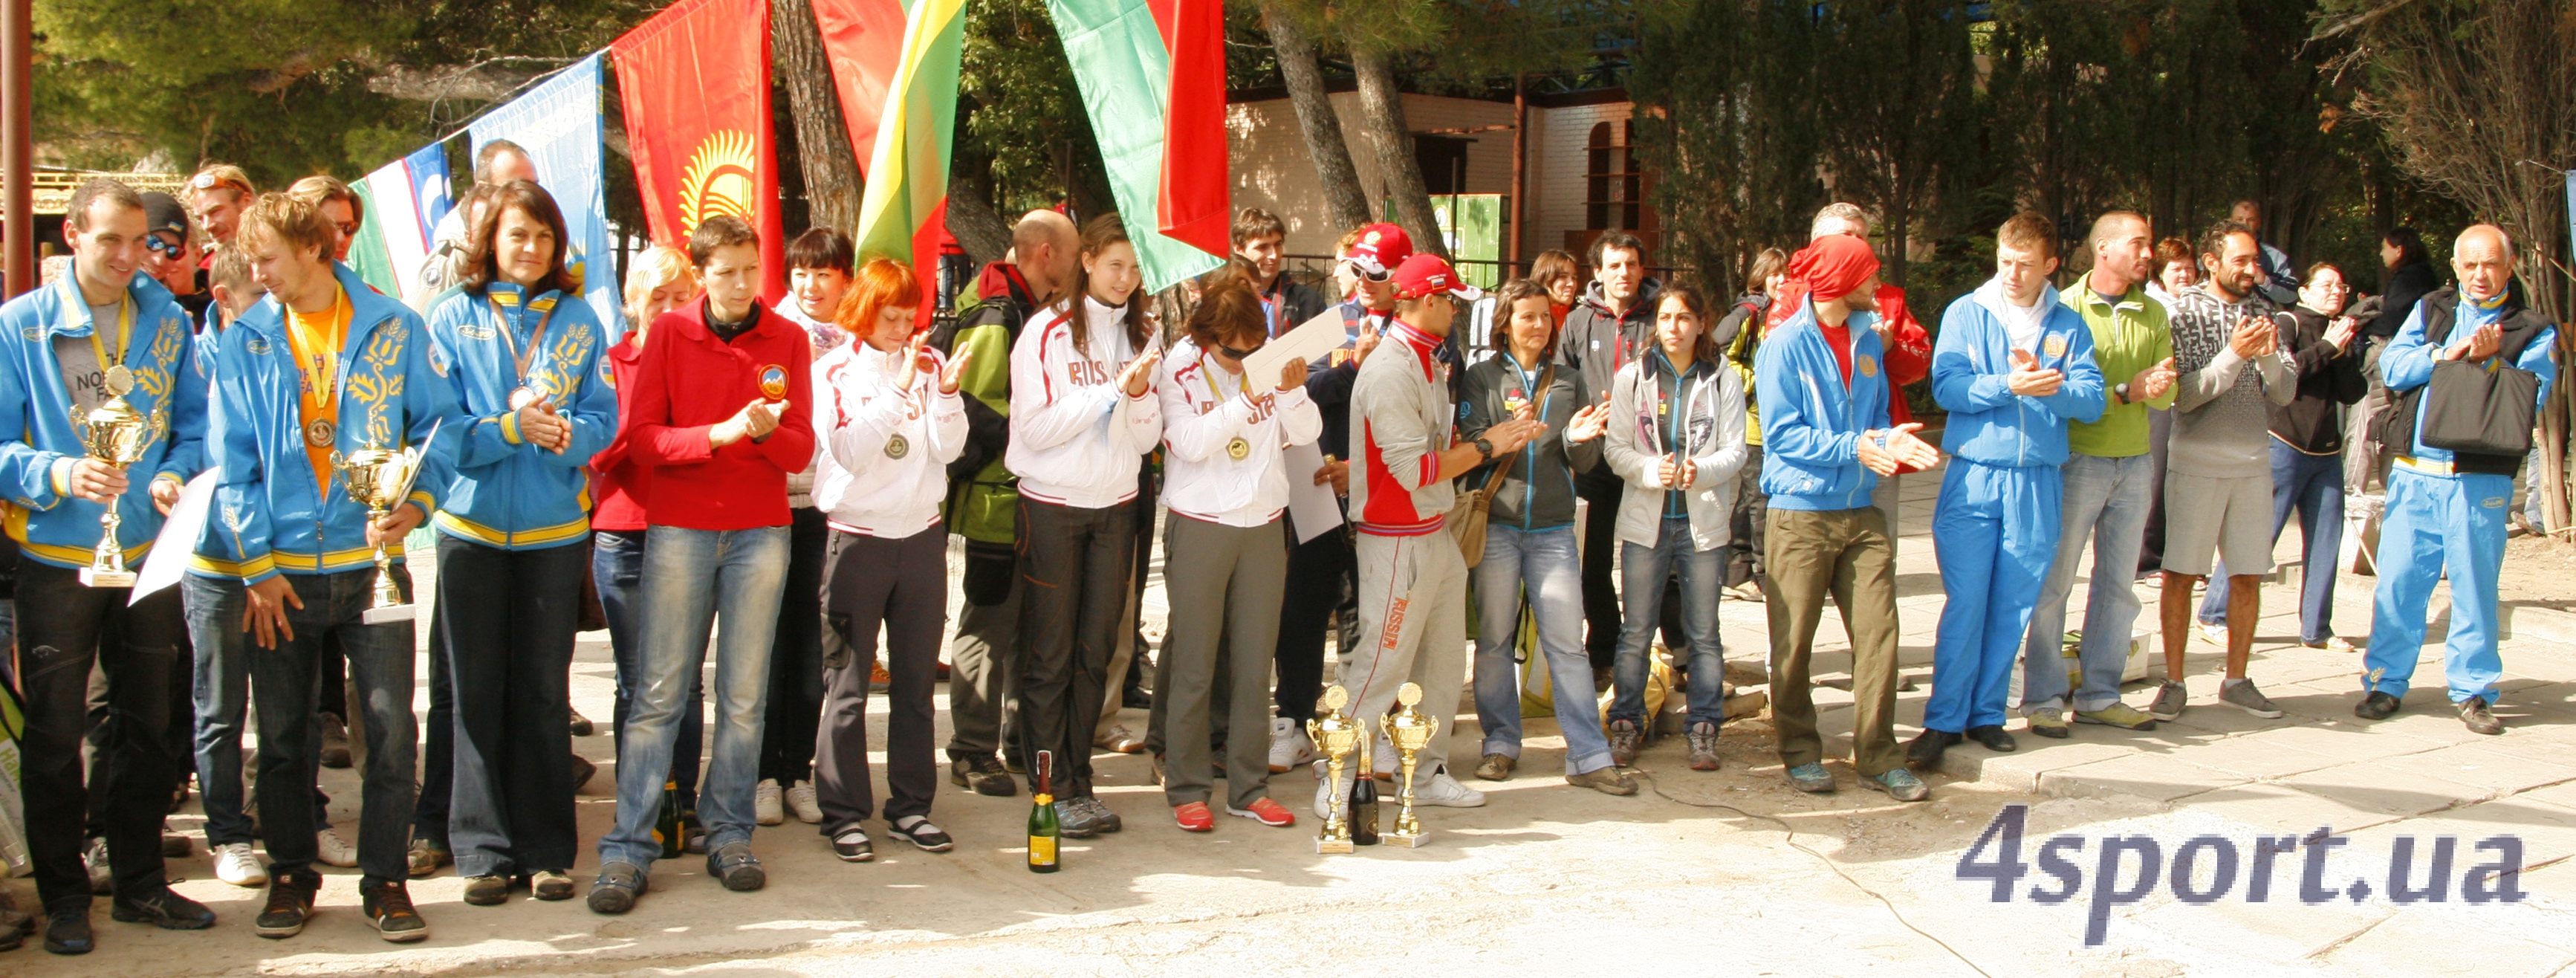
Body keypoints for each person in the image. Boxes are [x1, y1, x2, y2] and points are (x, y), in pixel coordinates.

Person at [204, 190, 462, 942]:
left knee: (389, 728)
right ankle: (291, 872)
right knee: (284, 734)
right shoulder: (246, 338)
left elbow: (440, 423)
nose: (258, 272)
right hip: (279, 572)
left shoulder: (393, 324)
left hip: (371, 562)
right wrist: (253, 564)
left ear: (313, 249)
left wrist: (419, 504)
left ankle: (385, 878)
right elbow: (232, 464)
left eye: (268, 258)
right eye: (252, 261)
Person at [0, 178, 215, 953]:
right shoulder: (20, 326)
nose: (131, 257)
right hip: (59, 558)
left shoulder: (165, 322)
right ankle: (64, 895)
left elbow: (196, 428)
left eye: (145, 243)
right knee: (58, 734)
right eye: (112, 241)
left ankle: (141, 882)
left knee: (149, 723)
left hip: (148, 554)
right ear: (71, 235)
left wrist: (172, 473)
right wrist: (59, 474)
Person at [587, 215, 814, 914]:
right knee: (659, 695)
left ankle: (729, 832)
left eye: (751, 271)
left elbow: (801, 451)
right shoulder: (668, 333)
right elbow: (644, 441)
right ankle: (629, 846)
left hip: (760, 533)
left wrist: (771, 435)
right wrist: (713, 436)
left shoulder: (788, 338)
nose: (742, 286)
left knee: (743, 700)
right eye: (726, 274)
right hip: (682, 529)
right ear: (702, 274)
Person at [420, 179, 617, 906]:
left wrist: (571, 436)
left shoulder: (577, 320)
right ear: (489, 243)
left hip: (552, 534)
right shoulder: (450, 319)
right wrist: (508, 430)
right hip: (468, 531)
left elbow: (604, 415)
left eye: (541, 236)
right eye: (515, 235)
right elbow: (436, 429)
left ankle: (546, 850)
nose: (529, 248)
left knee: (540, 692)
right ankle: (481, 848)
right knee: (473, 692)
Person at [1319, 252, 1540, 816]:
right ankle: (1338, 778)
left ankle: (1425, 766)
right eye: (1450, 301)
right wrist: (1491, 443)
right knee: (1383, 661)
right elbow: (1415, 470)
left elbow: (1429, 461)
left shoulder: (1424, 357)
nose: (1456, 312)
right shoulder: (1393, 367)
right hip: (1394, 536)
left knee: (1441, 661)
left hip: (1430, 528)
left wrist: (1490, 442)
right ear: (1426, 301)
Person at [1914, 213, 2104, 766]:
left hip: (2037, 480)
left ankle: (1987, 715)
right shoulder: (1966, 312)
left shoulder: (2069, 326)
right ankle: (1942, 719)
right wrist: (2008, 384)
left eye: (2024, 264)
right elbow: (1946, 386)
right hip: (1974, 474)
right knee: (1966, 601)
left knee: (2012, 604)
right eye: (2004, 262)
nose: (2012, 274)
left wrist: (2053, 387)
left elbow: (2091, 402)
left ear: (2050, 265)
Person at [1756, 234, 1939, 802]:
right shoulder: (1783, 346)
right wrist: (1855, 446)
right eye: (1867, 275)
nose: (1876, 285)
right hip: (1801, 515)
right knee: (1793, 646)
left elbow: (1877, 413)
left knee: (1880, 634)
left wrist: (1889, 439)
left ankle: (1878, 755)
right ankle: (1799, 752)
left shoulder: (1866, 336)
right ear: (1838, 280)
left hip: (1862, 511)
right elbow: (1783, 435)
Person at [2356, 224, 2555, 735]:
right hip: (2415, 472)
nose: (2479, 275)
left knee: (2473, 586)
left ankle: (2473, 691)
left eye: (2490, 264)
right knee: (2399, 582)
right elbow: (2394, 368)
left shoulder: (2532, 329)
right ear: (2454, 267)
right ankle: (2384, 681)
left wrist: (2489, 362)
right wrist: (2447, 354)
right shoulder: (2432, 311)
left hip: (2477, 480)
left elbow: (2530, 397)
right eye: (2469, 265)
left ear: (2508, 267)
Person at [1007, 213, 1164, 837]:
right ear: (1088, 260)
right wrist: (1108, 394)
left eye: (1134, 268)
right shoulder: (1044, 332)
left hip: (1116, 509)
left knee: (1096, 655)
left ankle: (1080, 782)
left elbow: (1150, 435)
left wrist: (1140, 395)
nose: (1125, 279)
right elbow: (1035, 429)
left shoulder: (1143, 334)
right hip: (1051, 508)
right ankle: (1048, 789)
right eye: (1114, 264)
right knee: (1050, 655)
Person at [811, 258, 970, 859]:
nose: (903, 328)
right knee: (847, 684)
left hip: (921, 539)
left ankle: (910, 807)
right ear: (864, 312)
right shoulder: (833, 371)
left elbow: (948, 448)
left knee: (914, 684)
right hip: (857, 538)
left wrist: (946, 393)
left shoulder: (929, 365)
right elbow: (849, 450)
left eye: (910, 316)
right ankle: (844, 812)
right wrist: (898, 389)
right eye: (891, 316)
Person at [1153, 273, 1317, 831]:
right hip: (1201, 522)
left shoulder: (1268, 359)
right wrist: (1246, 401)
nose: (1243, 358)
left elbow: (1307, 430)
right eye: (1230, 350)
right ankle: (1187, 786)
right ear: (1205, 338)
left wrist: (1290, 390)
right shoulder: (1177, 368)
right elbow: (1188, 443)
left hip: (1263, 525)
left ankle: (1248, 787)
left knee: (1253, 665)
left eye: (1252, 347)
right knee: (1196, 665)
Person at [1459, 279, 1626, 791]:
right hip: (1500, 527)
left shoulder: (1567, 380)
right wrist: (1506, 435)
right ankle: (1500, 743)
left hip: (1553, 529)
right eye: (1526, 317)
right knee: (1493, 642)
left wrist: (1577, 440)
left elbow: (1584, 461)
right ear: (1504, 323)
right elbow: (1470, 446)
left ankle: (1589, 755)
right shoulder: (1479, 378)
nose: (1537, 326)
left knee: (1566, 644)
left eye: (1543, 317)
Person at [938, 210, 1080, 797]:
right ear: (1045, 253)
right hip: (996, 504)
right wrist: (1052, 430)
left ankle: (1022, 741)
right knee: (988, 624)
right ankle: (973, 749)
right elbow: (975, 410)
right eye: (1073, 254)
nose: (1078, 266)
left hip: (1029, 497)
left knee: (1031, 624)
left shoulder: (1027, 307)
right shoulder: (996, 312)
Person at [2018, 211, 2176, 738]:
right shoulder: (2063, 309)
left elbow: (2167, 391)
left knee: (2118, 586)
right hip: (2076, 460)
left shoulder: (2151, 311)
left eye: (2148, 244)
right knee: (2054, 583)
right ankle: (2041, 697)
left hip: (2135, 462)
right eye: (2137, 243)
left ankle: (2100, 694)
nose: (2147, 253)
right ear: (2102, 249)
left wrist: (2152, 386)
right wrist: (2123, 392)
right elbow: (2056, 392)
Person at [585, 246, 707, 859]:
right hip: (627, 534)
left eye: (678, 296)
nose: (665, 308)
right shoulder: (609, 364)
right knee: (638, 683)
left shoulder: (702, 363)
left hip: (690, 531)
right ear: (633, 301)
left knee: (684, 684)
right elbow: (600, 449)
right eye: (654, 296)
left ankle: (681, 797)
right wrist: (645, 426)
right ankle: (638, 800)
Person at [1268, 224, 1401, 775]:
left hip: (1384, 492)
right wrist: (1350, 366)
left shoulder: (1424, 329)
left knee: (1373, 613)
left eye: (1379, 274)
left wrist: (1364, 472)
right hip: (1318, 488)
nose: (1366, 283)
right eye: (1360, 270)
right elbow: (1287, 390)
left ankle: (1366, 724)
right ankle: (1293, 720)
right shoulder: (1331, 323)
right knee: (1303, 607)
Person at [2152, 221, 2296, 722]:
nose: (2251, 270)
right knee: (2180, 575)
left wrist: (2269, 355)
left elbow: (2285, 392)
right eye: (2240, 260)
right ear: (2211, 262)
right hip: (2195, 463)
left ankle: (2236, 680)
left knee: (2247, 575)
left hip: (2252, 464)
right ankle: (2173, 682)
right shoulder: (2183, 312)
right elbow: (2185, 396)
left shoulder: (2265, 311)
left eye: (2254, 260)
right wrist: (2235, 354)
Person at [1601, 284, 1747, 771]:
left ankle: (1703, 727)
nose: (1675, 327)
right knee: (1635, 630)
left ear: (1701, 323)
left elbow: (1735, 450)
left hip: (1701, 523)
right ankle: (1625, 722)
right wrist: (1651, 471)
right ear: (1655, 324)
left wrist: (1698, 472)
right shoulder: (1633, 378)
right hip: (1646, 524)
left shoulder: (1722, 378)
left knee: (1703, 632)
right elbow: (1615, 448)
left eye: (1685, 317)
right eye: (1666, 318)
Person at [2192, 263, 2364, 651]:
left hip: (2326, 450)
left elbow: (2353, 393)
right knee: (2257, 536)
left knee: (2326, 540)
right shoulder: (2289, 322)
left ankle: (2317, 629)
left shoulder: (2340, 330)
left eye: (2342, 285)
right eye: (2326, 285)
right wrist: (2328, 347)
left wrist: (2345, 350)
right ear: (2303, 292)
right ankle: (2214, 614)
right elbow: (2284, 374)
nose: (2336, 291)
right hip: (2284, 442)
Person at [186, 244, 286, 894]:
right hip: (214, 562)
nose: (273, 312)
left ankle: (294, 824)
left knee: (287, 708)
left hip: (277, 564)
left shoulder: (285, 349)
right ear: (224, 301)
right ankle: (228, 833)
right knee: (222, 709)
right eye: (259, 301)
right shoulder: (190, 361)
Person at [756, 227, 857, 829]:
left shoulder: (858, 340)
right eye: (800, 272)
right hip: (771, 509)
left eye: (823, 274)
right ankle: (762, 774)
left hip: (828, 511)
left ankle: (799, 771)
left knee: (812, 648)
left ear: (845, 277)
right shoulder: (770, 334)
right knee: (766, 645)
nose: (810, 285)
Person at [1767, 204, 1935, 558]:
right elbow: (1779, 376)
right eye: (1848, 238)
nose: (1860, 247)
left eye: (1863, 239)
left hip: (1875, 449)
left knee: (1879, 560)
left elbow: (1918, 365)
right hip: (1810, 475)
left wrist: (1889, 348)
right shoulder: (1793, 299)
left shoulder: (1886, 297)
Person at [1555, 231, 1660, 682]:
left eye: (1632, 265)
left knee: (1655, 554)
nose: (1624, 273)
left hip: (1649, 455)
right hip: (1595, 458)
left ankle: (1673, 651)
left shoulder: (1661, 316)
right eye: (1614, 266)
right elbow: (1562, 380)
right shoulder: (1579, 322)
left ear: (1642, 269)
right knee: (1592, 558)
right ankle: (1603, 650)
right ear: (1597, 272)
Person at [1712, 247, 1788, 598]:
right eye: (1775, 274)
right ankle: (1762, 572)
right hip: (1753, 420)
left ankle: (1735, 569)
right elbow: (1717, 354)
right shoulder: (1750, 312)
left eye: (1787, 274)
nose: (1782, 280)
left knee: (1752, 495)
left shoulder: (1786, 312)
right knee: (1760, 498)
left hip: (1776, 420)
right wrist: (1759, 379)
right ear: (1761, 277)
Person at [2349, 227, 2436, 493]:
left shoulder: (2409, 278)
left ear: (2399, 250)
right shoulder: (2427, 277)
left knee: (2363, 423)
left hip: (2387, 355)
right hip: (2415, 361)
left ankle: (2352, 490)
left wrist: (2364, 327)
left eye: (2385, 247)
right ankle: (2392, 488)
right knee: (2396, 424)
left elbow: (2392, 318)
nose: (2381, 253)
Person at [2137, 236, 2199, 576]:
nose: (2185, 276)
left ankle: (2185, 559)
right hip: (2159, 399)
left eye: (2190, 269)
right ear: (2160, 272)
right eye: (2177, 269)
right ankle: (2148, 560)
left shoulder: (2202, 305)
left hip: (2194, 398)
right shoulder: (2150, 305)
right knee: (2158, 477)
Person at [416, 141, 540, 310]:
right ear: (484, 189)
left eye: (534, 186)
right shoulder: (457, 250)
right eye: (515, 187)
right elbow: (419, 322)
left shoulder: (541, 236)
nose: (531, 196)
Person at [1233, 207, 1326, 333]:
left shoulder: (1308, 300)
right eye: (1262, 247)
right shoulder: (1223, 299)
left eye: (1278, 244)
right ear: (1239, 249)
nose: (1274, 255)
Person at [137, 192, 210, 323]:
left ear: (198, 254)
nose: (159, 260)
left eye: (173, 252)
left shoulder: (218, 305)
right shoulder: (99, 296)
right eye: (153, 243)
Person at [2228, 199, 2298, 305]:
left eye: (2251, 220)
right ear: (2230, 221)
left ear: (2259, 223)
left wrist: (2265, 281)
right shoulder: (2214, 253)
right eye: (2240, 219)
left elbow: (2292, 294)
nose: (2245, 224)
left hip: (2260, 317)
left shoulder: (2275, 257)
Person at [285, 176, 364, 264]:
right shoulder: (272, 276)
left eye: (348, 227)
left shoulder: (349, 277)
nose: (341, 238)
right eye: (328, 228)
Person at [184, 165, 255, 253]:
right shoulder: (208, 265)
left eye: (215, 212)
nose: (207, 226)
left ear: (246, 202)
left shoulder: (276, 254)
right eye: (200, 218)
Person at [1528, 249, 1581, 327]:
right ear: (1544, 279)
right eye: (1563, 277)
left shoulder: (1581, 318)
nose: (1571, 283)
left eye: (1574, 278)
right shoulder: (1527, 316)